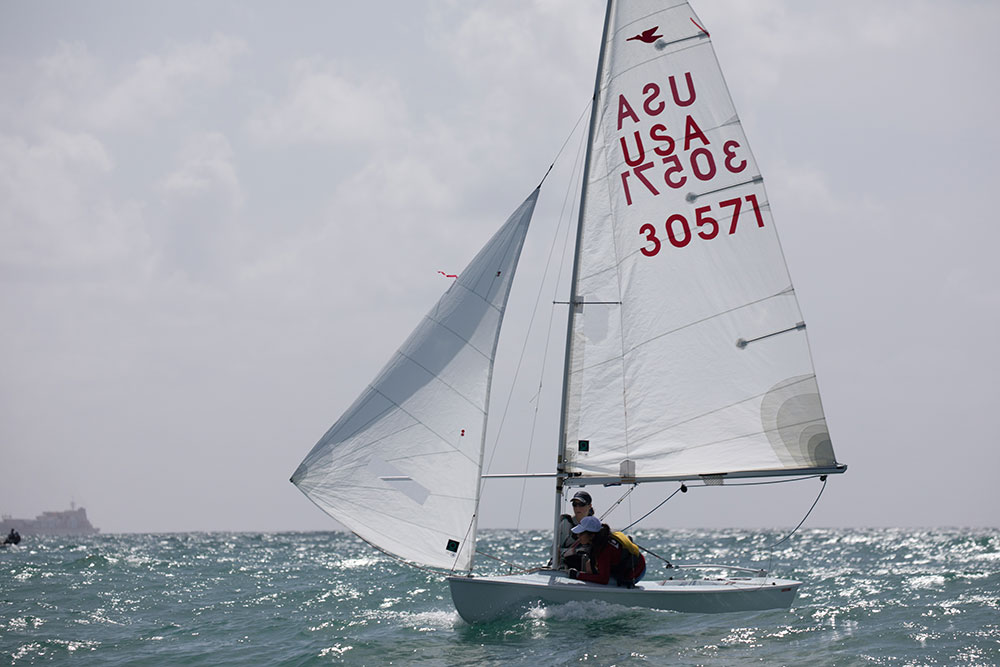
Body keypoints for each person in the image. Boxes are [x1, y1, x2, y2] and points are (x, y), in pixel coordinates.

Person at [566, 516, 646, 587]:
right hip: (633, 561)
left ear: (592, 535)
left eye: (581, 534)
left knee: (595, 571)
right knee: (589, 564)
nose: (578, 536)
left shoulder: (604, 550)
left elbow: (604, 579)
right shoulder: (601, 539)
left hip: (637, 571)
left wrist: (578, 575)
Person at [557, 491, 595, 569]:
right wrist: (575, 551)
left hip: (586, 566)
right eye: (575, 504)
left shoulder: (594, 525)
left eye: (581, 504)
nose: (577, 508)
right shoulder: (566, 523)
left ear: (589, 506)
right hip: (565, 565)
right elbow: (554, 551)